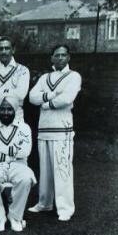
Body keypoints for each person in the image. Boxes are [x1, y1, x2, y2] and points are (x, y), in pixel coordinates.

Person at [28, 45, 81, 221]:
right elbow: (32, 97)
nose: (59, 58)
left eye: (63, 55)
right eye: (56, 55)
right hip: (44, 129)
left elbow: (67, 99)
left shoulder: (73, 76)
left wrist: (46, 102)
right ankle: (45, 203)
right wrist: (51, 95)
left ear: (68, 57)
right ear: (51, 58)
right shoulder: (45, 77)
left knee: (62, 169)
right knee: (45, 170)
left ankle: (65, 209)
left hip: (62, 129)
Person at [0, 96, 36, 232]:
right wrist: (10, 154)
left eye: (9, 109)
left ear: (15, 110)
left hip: (19, 165)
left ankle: (15, 217)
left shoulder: (24, 128)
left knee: (26, 177)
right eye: (3, 109)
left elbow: (25, 152)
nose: (6, 112)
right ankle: (0, 218)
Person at [0, 36, 30, 128]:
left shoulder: (23, 70)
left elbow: (21, 95)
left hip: (16, 117)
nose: (4, 52)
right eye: (1, 49)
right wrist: (10, 92)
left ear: (13, 50)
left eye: (7, 48)